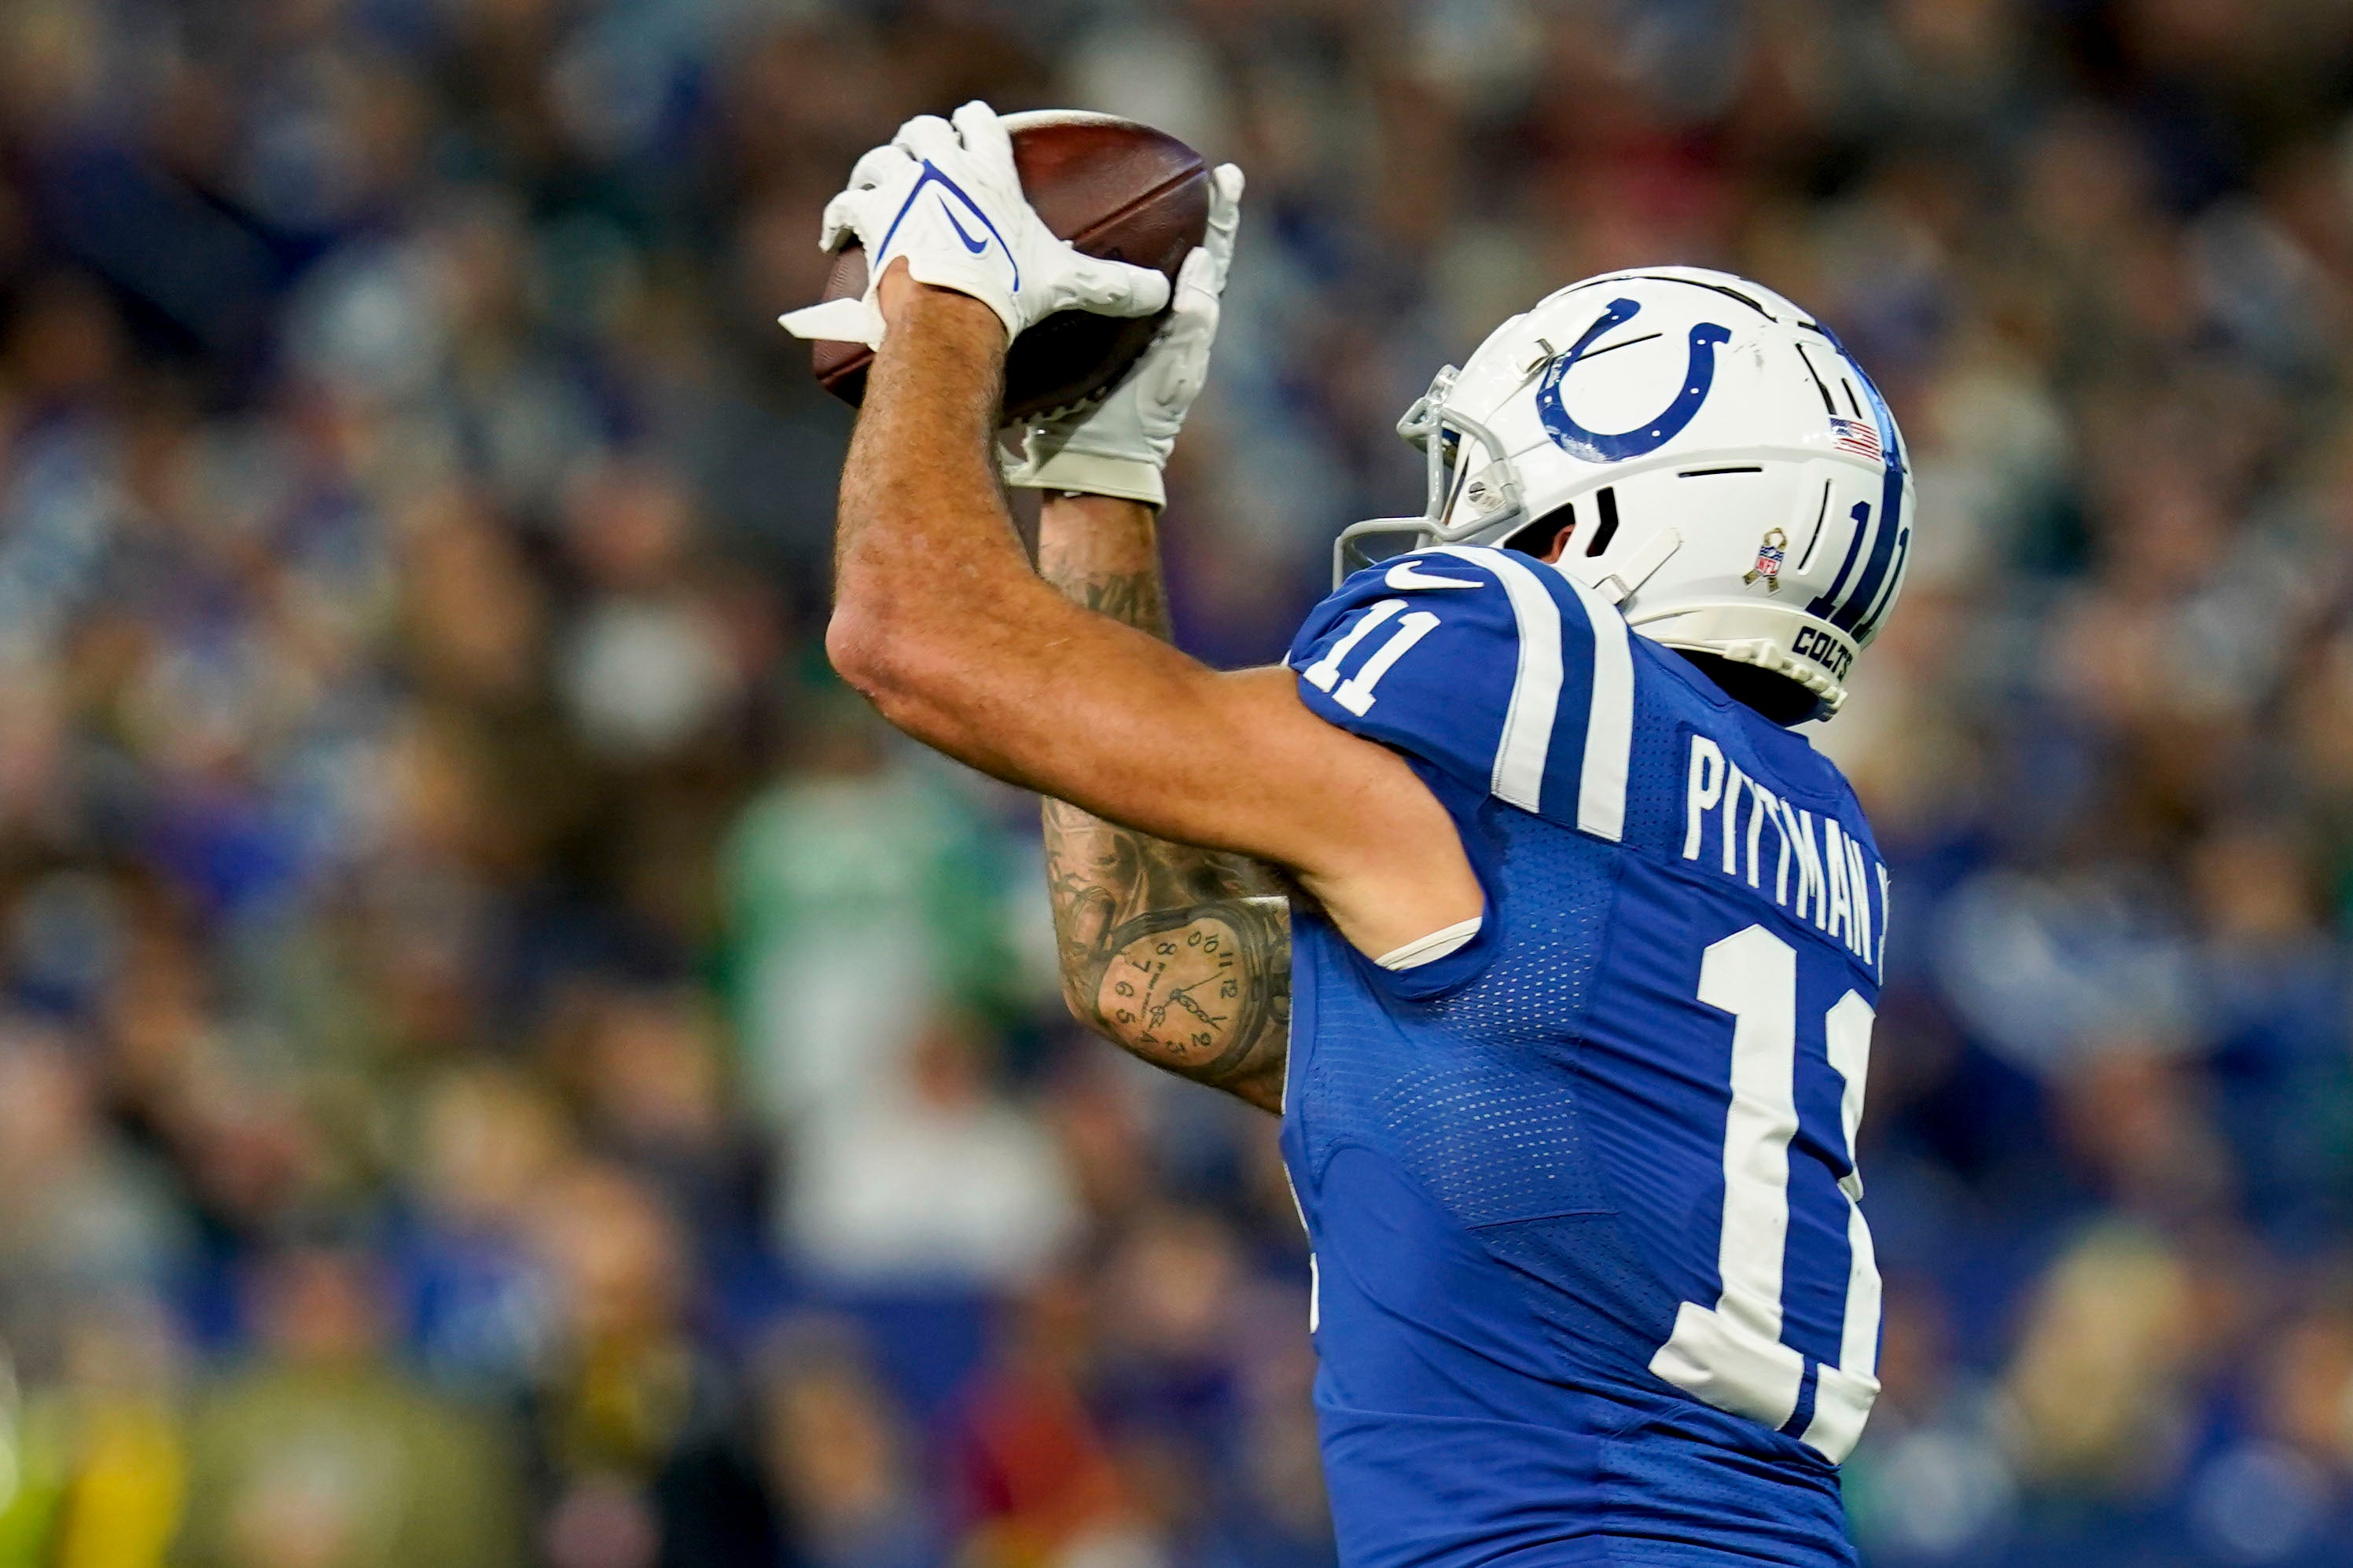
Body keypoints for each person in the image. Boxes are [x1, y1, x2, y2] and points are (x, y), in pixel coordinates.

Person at [784, 101, 1910, 1568]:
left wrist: (948, 292)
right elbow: (1160, 965)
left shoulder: (1527, 664)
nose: (1462, 532)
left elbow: (908, 637)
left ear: (1601, 522)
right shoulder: (1792, 834)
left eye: (1495, 491)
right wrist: (1099, 476)